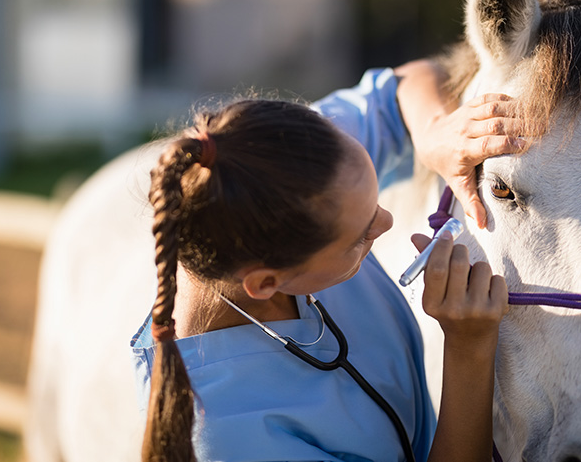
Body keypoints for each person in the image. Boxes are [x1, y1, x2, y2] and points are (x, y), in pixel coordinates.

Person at [131, 60, 523, 462]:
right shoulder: (229, 438)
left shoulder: (291, 161)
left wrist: (435, 132)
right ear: (266, 283)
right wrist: (469, 348)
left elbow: (410, 82)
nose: (385, 222)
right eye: (359, 236)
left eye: (376, 204)